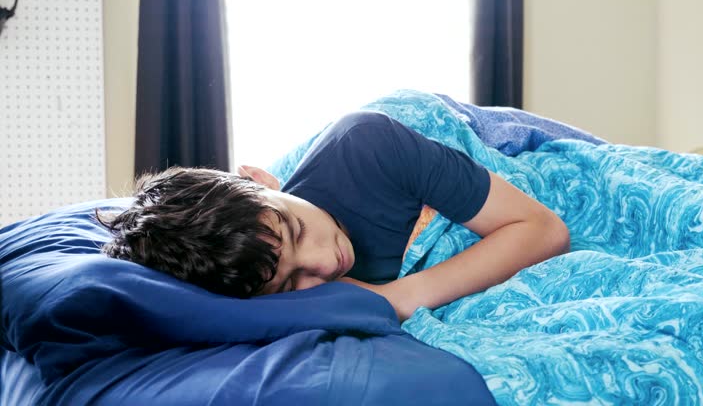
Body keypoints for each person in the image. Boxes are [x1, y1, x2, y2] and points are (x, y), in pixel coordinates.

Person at [100, 111, 570, 321]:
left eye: (298, 231)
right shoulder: (244, 276)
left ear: (263, 181)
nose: (326, 265)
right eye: (289, 283)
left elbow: (544, 229)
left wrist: (401, 296)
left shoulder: (367, 147)